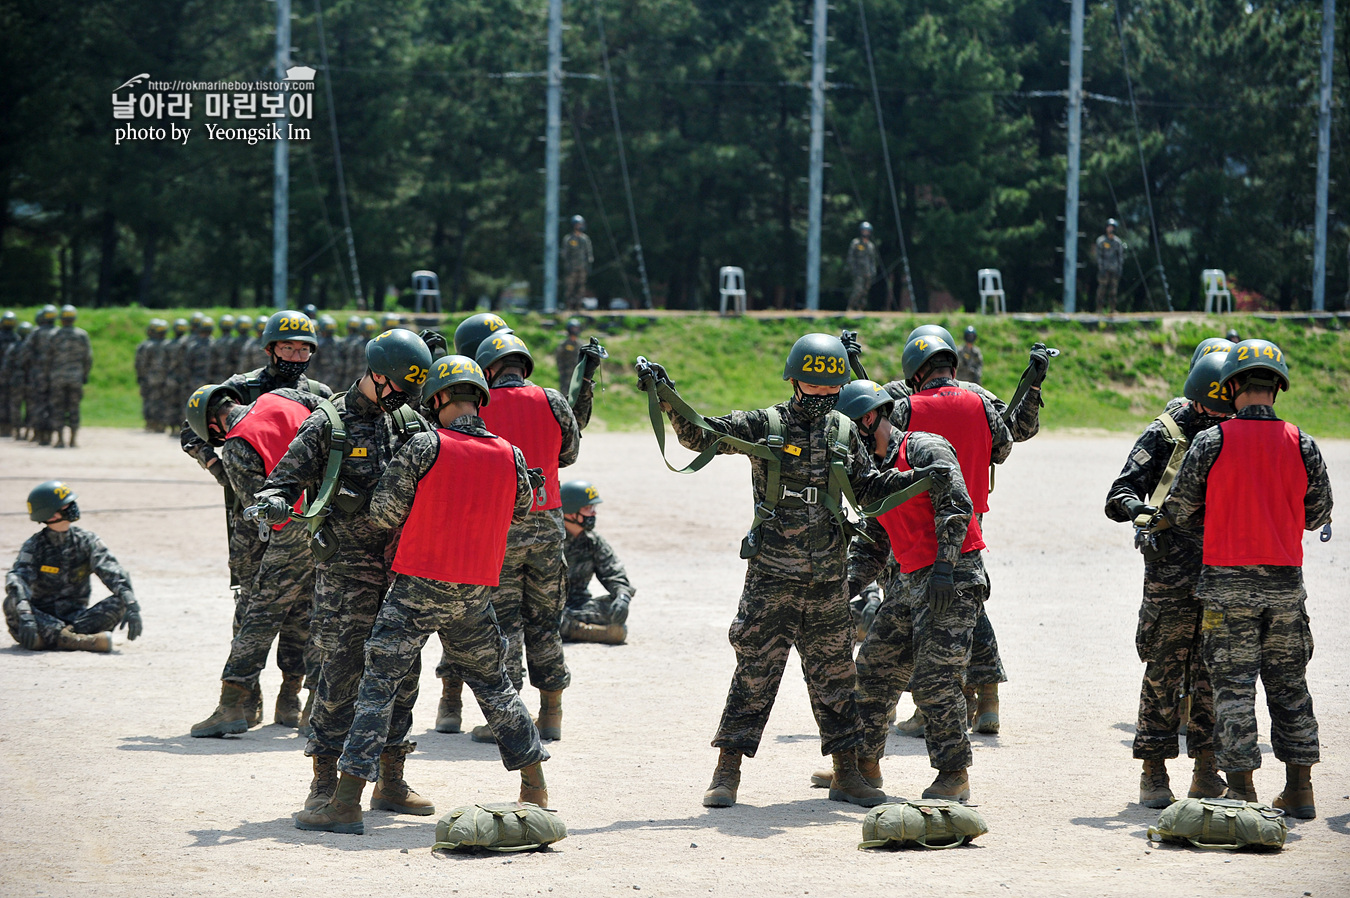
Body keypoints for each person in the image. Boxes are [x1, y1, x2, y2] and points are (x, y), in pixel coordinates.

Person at [641, 334, 950, 809]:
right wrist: (666, 396)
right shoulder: (763, 425)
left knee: (837, 677)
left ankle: (847, 775)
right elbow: (700, 434)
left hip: (828, 580)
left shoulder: (845, 434)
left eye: (831, 389)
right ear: (794, 380)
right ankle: (727, 772)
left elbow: (868, 491)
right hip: (770, 578)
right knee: (755, 673)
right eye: (814, 386)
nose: (823, 397)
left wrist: (920, 478)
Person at [299, 356, 550, 834]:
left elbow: (386, 514)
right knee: (496, 686)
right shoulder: (510, 453)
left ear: (436, 399)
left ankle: (346, 801)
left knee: (378, 686)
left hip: (416, 586)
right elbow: (520, 510)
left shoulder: (422, 445)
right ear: (480, 398)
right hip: (473, 592)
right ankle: (535, 789)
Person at [250, 328, 435, 824]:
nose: (401, 398)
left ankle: (391, 778)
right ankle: (325, 781)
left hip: (402, 568)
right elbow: (284, 481)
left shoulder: (410, 421)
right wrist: (271, 502)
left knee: (404, 669)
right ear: (376, 374)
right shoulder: (328, 423)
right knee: (341, 671)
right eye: (397, 386)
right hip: (347, 573)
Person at [1161, 339, 1333, 820]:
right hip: (1284, 588)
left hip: (1226, 586)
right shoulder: (1301, 442)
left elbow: (1179, 508)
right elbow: (1318, 512)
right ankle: (1300, 790)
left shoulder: (1212, 441)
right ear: (1276, 388)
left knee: (1233, 689)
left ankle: (1241, 792)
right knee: (1290, 686)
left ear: (1232, 385)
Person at [870, 324, 1049, 737]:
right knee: (967, 600)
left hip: (915, 521)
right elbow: (1006, 445)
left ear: (914, 369)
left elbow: (881, 445)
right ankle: (987, 697)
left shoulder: (904, 407)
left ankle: (931, 705)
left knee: (919, 610)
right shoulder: (981, 400)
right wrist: (1032, 390)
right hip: (968, 519)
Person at [828, 378, 979, 802]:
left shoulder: (924, 448)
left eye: (847, 427)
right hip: (910, 581)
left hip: (953, 576)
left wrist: (946, 567)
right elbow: (874, 542)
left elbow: (956, 505)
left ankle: (954, 775)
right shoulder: (874, 474)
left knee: (935, 678)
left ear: (870, 418)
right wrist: (844, 588)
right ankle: (864, 767)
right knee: (872, 671)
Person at [1105, 349, 1234, 808]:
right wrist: (1136, 509)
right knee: (1162, 671)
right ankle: (1153, 772)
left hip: (1223, 573)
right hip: (1170, 575)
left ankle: (1205, 770)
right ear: (1197, 399)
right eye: (1215, 408)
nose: (1222, 416)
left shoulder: (1239, 432)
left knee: (1212, 674)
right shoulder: (1167, 433)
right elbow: (1118, 493)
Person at [185, 383, 327, 737]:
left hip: (293, 530)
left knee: (258, 618)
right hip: (329, 519)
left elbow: (262, 510)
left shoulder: (235, 446)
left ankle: (231, 705)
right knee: (318, 613)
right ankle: (314, 709)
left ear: (213, 427)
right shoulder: (283, 396)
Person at [461, 333, 578, 744]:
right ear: (523, 365)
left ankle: (510, 719)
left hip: (501, 526)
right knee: (545, 621)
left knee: (504, 622)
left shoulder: (480, 404)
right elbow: (569, 454)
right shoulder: (553, 400)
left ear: (488, 369)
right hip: (548, 524)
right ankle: (551, 714)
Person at [181, 309, 333, 484]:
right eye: (288, 348)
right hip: (251, 498)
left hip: (308, 498)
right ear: (269, 349)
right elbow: (191, 430)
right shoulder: (241, 387)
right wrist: (216, 467)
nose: (296, 357)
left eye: (304, 350)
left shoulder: (318, 393)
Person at [4, 481, 142, 653]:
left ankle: (59, 639)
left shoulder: (86, 541)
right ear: (51, 515)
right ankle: (80, 641)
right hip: (40, 620)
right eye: (66, 505)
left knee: (120, 600)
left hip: (78, 620)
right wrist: (26, 615)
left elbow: (111, 570)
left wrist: (131, 602)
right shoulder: (34, 546)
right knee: (12, 602)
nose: (73, 506)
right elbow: (18, 578)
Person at [558, 479, 634, 646]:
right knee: (539, 619)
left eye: (594, 508)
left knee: (611, 608)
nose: (594, 514)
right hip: (545, 606)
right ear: (570, 512)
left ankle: (574, 629)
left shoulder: (593, 541)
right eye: (587, 509)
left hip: (578, 605)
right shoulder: (551, 539)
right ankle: (589, 632)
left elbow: (614, 572)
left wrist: (622, 597)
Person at [47, 305, 93, 448]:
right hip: (75, 377)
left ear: (61, 319)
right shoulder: (82, 335)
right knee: (74, 408)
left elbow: (48, 358)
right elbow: (88, 358)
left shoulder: (54, 335)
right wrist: (84, 375)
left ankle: (60, 439)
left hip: (57, 377)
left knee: (58, 408)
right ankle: (73, 440)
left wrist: (49, 375)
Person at [27, 305, 60, 445]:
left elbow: (25, 353)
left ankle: (39, 436)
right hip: (55, 375)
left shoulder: (35, 333)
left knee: (39, 405)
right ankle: (51, 435)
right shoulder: (58, 333)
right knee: (54, 405)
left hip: (39, 376)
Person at [135, 320, 168, 432]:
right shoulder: (168, 344)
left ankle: (151, 423)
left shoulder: (145, 346)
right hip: (166, 378)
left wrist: (141, 377)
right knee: (163, 401)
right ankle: (161, 424)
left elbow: (140, 364)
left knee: (150, 401)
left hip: (149, 378)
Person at [1094, 219, 1127, 314]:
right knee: (1102, 290)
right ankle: (1099, 309)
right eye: (1109, 227)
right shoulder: (1101, 241)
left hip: (1114, 269)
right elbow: (1099, 256)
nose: (1111, 229)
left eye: (1112, 227)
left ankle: (1112, 309)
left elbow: (1120, 256)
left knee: (1113, 291)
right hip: (1104, 269)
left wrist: (1119, 269)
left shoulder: (1117, 242)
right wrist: (1101, 268)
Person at [846, 222, 881, 312]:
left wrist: (873, 271)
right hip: (858, 271)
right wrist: (852, 269)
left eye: (867, 231)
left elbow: (873, 260)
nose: (865, 233)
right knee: (858, 290)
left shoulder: (870, 246)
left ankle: (860, 308)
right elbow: (851, 257)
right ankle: (850, 307)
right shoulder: (856, 243)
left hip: (868, 272)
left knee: (865, 292)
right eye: (864, 231)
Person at [562, 215, 593, 311]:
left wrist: (589, 265)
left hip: (582, 268)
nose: (581, 226)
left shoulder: (585, 239)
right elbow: (565, 254)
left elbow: (589, 253)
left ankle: (578, 306)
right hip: (572, 268)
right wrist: (567, 266)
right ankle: (568, 306)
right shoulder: (569, 239)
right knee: (570, 288)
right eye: (579, 224)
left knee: (581, 288)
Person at [0, 311, 21, 437]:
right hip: (15, 377)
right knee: (13, 402)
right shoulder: (17, 339)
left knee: (2, 402)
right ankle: (11, 428)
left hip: (2, 375)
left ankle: (2, 428)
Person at [556, 319, 582, 393]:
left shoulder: (581, 345)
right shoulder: (564, 345)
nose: (575, 330)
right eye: (573, 328)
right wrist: (562, 372)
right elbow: (559, 360)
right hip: (566, 376)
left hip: (578, 377)